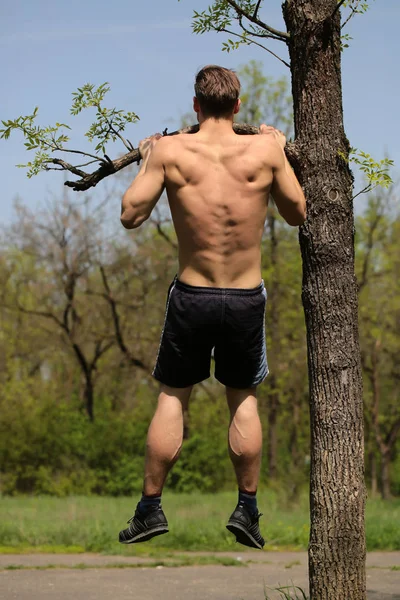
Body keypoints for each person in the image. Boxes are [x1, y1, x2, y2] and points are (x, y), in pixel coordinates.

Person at [118, 65, 306, 550]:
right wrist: (281, 151)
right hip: (244, 297)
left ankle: (149, 510)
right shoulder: (265, 149)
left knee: (172, 397)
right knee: (243, 399)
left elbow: (130, 216)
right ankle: (247, 509)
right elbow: (296, 213)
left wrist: (147, 158)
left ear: (196, 106)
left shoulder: (172, 150)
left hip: (193, 294)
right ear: (238, 106)